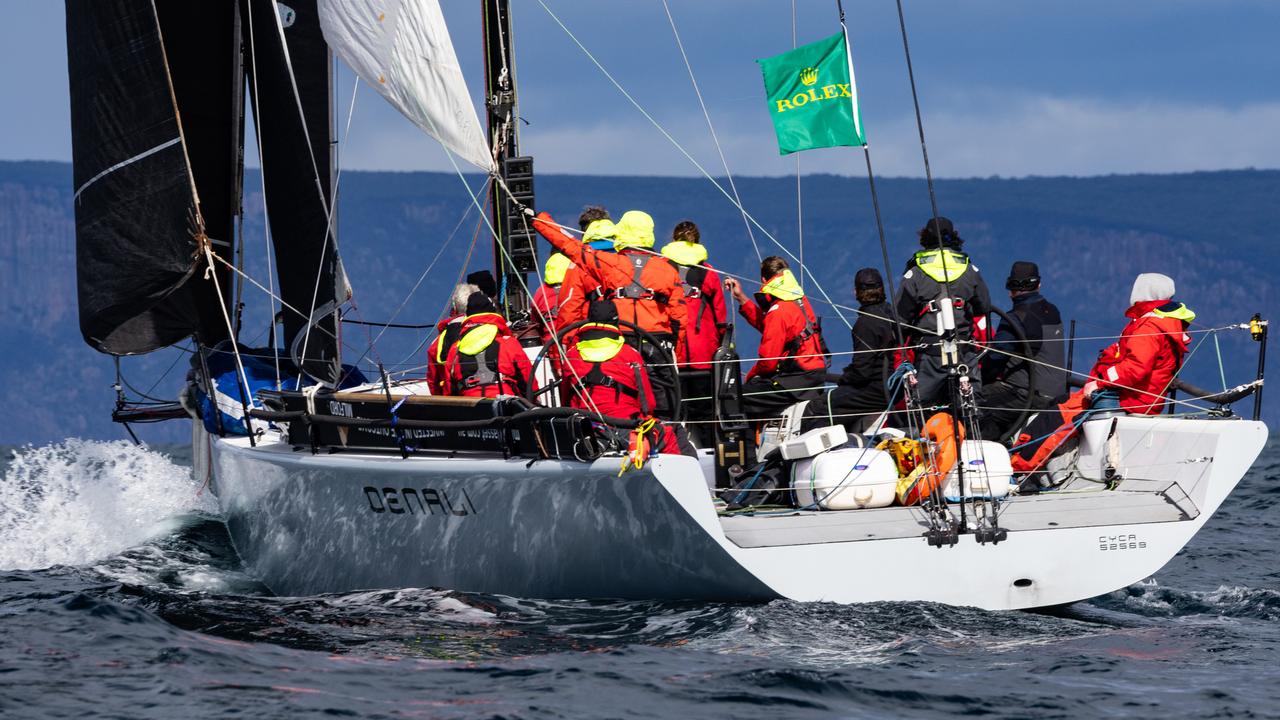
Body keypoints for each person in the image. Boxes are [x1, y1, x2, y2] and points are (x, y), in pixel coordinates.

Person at [1011, 273, 1194, 475]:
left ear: (1145, 292)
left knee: (1055, 418)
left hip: (1128, 399)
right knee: (1057, 403)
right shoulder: (1165, 322)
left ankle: (1017, 468)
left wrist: (1100, 383)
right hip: (1141, 397)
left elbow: (1135, 368)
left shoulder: (1149, 326)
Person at [532, 209, 687, 350]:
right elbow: (679, 318)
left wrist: (538, 220)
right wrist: (675, 355)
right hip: (658, 345)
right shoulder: (669, 270)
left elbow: (570, 245)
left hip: (618, 343)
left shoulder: (610, 263)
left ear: (622, 233)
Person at [561, 300, 695, 456]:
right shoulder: (630, 354)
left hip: (585, 434)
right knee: (674, 432)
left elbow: (565, 400)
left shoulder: (571, 355)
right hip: (626, 431)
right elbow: (647, 404)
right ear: (616, 322)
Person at [895, 216, 992, 407]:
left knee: (920, 407)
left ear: (925, 238)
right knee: (972, 404)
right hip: (965, 350)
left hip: (930, 354)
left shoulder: (915, 272)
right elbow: (984, 306)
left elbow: (901, 318)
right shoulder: (969, 269)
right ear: (953, 236)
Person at [724, 256, 829, 421]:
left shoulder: (778, 310)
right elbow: (773, 327)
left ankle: (749, 447)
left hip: (795, 380)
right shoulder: (800, 300)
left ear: (764, 280)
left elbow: (768, 362)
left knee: (736, 398)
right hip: (814, 373)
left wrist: (750, 376)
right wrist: (741, 298)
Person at [979, 261, 1068, 441]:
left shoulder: (1015, 317)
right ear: (1039, 285)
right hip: (1058, 395)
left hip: (1028, 395)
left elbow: (997, 357)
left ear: (1010, 289)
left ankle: (994, 452)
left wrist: (980, 380)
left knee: (973, 404)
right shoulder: (1052, 311)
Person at [803, 268, 899, 433]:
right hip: (894, 386)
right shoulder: (891, 313)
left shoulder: (865, 324)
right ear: (882, 289)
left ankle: (814, 456)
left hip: (876, 390)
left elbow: (862, 373)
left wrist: (842, 378)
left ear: (856, 292)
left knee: (817, 407)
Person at [660, 220, 727, 369]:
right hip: (704, 349)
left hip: (671, 348)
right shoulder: (708, 272)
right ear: (697, 241)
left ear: (674, 239)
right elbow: (720, 313)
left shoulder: (661, 268)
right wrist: (724, 340)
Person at [443, 292, 534, 398]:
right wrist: (533, 401)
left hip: (470, 406)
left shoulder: (455, 349)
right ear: (493, 313)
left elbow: (449, 391)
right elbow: (528, 380)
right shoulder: (508, 342)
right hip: (505, 403)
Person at [426, 283, 477, 395]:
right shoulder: (493, 329)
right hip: (495, 397)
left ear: (454, 307)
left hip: (455, 401)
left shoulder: (438, 342)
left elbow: (433, 382)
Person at [532, 251, 574, 342]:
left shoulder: (540, 292)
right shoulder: (576, 289)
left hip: (549, 344)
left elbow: (535, 322)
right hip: (573, 342)